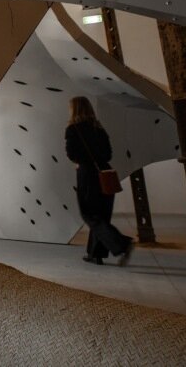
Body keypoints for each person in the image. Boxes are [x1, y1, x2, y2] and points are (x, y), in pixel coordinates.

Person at [65, 97, 135, 266]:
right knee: (102, 215)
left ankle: (122, 243)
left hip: (87, 175)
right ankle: (95, 254)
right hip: (105, 173)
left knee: (89, 214)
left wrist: (81, 161)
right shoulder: (99, 128)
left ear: (74, 109)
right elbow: (108, 154)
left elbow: (72, 154)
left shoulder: (73, 129)